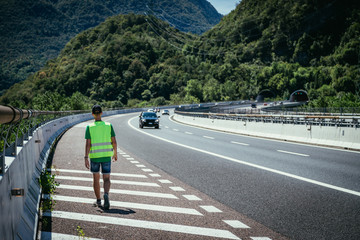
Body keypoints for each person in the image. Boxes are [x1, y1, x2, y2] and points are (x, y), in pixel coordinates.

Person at [84, 105, 117, 210]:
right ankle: (106, 194)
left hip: (95, 157)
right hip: (106, 156)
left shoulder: (89, 127)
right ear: (102, 113)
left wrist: (86, 157)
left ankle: (98, 200)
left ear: (92, 114)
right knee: (106, 178)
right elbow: (114, 141)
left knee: (96, 179)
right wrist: (115, 153)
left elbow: (88, 144)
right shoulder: (108, 125)